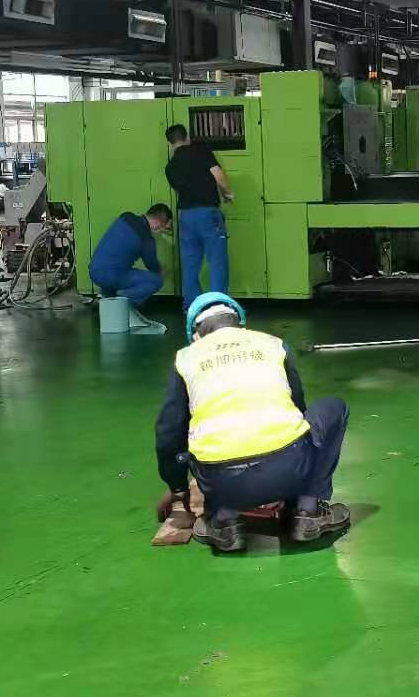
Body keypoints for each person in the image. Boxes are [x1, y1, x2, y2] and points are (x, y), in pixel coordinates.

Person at [155, 292, 350, 553]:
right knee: (334, 408)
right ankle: (307, 510)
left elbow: (169, 435)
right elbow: (298, 408)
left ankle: (224, 521)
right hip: (289, 469)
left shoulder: (186, 358)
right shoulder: (272, 345)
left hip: (221, 483)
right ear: (240, 324)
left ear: (196, 335)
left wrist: (178, 488)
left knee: (201, 431)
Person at [164, 124, 232, 308]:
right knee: (217, 261)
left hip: (186, 216)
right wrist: (227, 193)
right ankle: (218, 305)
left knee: (190, 264)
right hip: (208, 214)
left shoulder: (170, 167)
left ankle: (192, 306)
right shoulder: (201, 151)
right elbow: (218, 175)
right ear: (187, 137)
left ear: (170, 144)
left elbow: (181, 188)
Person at [89, 204, 172, 307]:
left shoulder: (126, 217)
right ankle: (121, 300)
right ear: (159, 223)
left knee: (120, 271)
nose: (163, 231)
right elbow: (152, 265)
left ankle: (105, 297)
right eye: (165, 228)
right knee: (157, 280)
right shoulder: (146, 239)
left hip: (94, 271)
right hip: (112, 275)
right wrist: (162, 270)